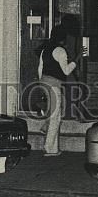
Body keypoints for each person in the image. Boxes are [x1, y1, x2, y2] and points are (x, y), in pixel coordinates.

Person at [37, 24, 81, 156]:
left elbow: (40, 68)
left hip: (44, 82)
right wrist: (77, 59)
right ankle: (49, 148)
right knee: (56, 116)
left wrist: (41, 84)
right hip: (54, 84)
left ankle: (52, 144)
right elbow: (66, 71)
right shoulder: (60, 51)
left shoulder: (45, 50)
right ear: (64, 38)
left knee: (57, 110)